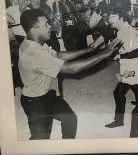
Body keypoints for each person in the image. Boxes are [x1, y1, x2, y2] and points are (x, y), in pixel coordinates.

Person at [18, 9, 120, 139]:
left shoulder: (34, 43)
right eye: (46, 24)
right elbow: (70, 68)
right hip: (36, 103)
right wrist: (103, 54)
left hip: (48, 94)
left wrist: (90, 49)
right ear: (34, 28)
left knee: (70, 120)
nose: (50, 26)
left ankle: (66, 150)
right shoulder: (34, 53)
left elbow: (59, 55)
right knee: (40, 141)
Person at [105, 12, 138, 128]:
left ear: (121, 18)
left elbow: (137, 50)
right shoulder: (122, 30)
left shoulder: (129, 31)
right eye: (109, 16)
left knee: (118, 92)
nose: (109, 19)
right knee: (134, 86)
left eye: (113, 16)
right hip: (128, 65)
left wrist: (118, 55)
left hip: (133, 66)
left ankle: (119, 121)